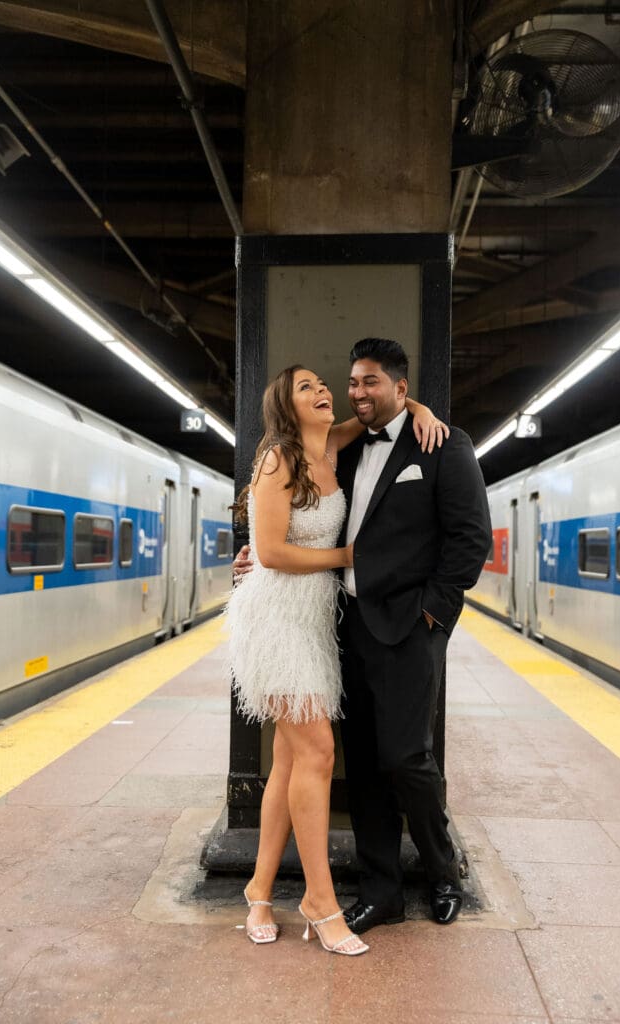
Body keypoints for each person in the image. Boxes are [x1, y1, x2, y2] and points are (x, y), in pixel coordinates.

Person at [227, 363, 448, 956]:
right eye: (308, 388)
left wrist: (423, 411)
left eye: (324, 385)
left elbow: (389, 415)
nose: (324, 391)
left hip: (315, 622)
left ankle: (257, 892)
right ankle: (319, 901)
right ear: (285, 405)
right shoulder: (280, 459)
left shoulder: (333, 444)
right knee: (320, 750)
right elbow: (270, 552)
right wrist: (352, 554)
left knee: (287, 762)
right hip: (277, 621)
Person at [336, 338, 491, 934]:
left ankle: (443, 873)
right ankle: (382, 891)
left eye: (370, 382)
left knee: (408, 759)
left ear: (401, 388)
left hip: (409, 628)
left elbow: (470, 538)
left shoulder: (445, 445)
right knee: (366, 764)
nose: (357, 392)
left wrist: (435, 615)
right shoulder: (347, 449)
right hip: (347, 626)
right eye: (353, 382)